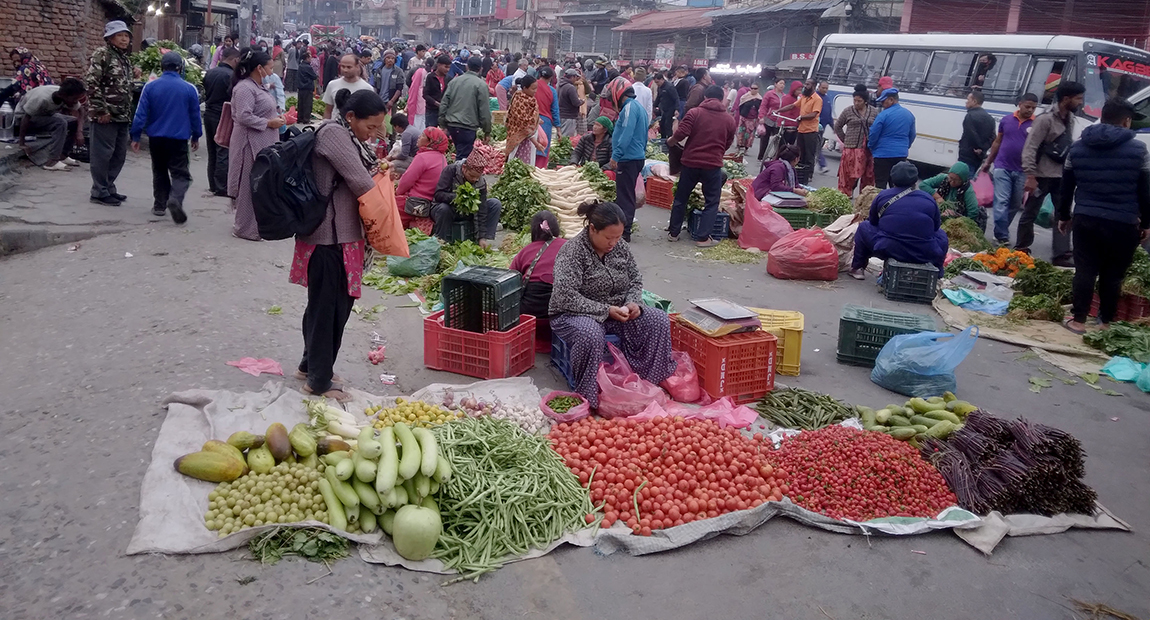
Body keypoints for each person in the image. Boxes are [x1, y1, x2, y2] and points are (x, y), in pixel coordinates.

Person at [290, 89, 388, 401]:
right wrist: (381, 176)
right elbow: (362, 182)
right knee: (328, 309)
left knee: (325, 306)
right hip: (329, 237)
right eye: (370, 127)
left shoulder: (347, 137)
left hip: (338, 236)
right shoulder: (334, 135)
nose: (373, 134)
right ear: (350, 117)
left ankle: (311, 366)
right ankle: (318, 381)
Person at [548, 201, 677, 410]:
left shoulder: (621, 248)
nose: (614, 243)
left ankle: (645, 385)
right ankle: (588, 397)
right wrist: (605, 310)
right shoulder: (572, 252)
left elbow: (635, 279)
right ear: (592, 229)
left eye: (618, 237)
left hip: (617, 312)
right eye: (609, 237)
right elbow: (565, 296)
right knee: (590, 333)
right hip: (573, 314)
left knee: (658, 320)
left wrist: (632, 302)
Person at [1059, 98, 1150, 333]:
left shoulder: (1077, 147)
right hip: (1123, 221)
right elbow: (1145, 189)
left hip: (1086, 218)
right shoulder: (1139, 150)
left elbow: (1066, 186)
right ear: (1126, 121)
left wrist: (1063, 215)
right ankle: (1105, 322)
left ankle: (1078, 320)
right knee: (1113, 274)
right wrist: (1147, 223)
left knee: (1085, 269)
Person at [129, 52, 202, 223]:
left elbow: (140, 114)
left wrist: (135, 136)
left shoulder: (150, 87)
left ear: (162, 67)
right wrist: (196, 136)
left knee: (159, 170)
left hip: (156, 138)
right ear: (180, 67)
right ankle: (175, 199)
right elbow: (195, 116)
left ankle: (160, 205)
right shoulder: (189, 88)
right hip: (178, 139)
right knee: (180, 174)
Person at [1018, 81, 1085, 267]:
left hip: (1060, 176)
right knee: (1029, 214)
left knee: (1063, 215)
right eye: (1078, 98)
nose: (1080, 102)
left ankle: (1061, 254)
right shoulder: (1045, 119)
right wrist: (1030, 176)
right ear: (1066, 99)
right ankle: (1021, 250)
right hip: (1040, 175)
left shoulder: (1070, 119)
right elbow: (1030, 148)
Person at [849, 161, 948, 279]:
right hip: (924, 252)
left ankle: (858, 268)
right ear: (915, 182)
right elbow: (936, 227)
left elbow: (873, 222)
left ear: (893, 180)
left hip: (888, 249)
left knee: (864, 226)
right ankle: (937, 273)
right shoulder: (928, 199)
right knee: (942, 235)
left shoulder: (883, 196)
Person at [667, 85, 736, 247]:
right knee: (711, 202)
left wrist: (670, 142)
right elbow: (728, 142)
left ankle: (673, 233)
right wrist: (717, 152)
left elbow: (681, 133)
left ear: (705, 97)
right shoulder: (729, 119)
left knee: (681, 198)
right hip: (712, 165)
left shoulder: (695, 113)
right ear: (721, 99)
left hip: (690, 162)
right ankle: (703, 238)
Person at [228, 48, 286, 241]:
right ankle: (244, 228)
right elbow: (243, 116)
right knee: (247, 186)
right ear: (259, 68)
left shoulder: (259, 86)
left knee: (259, 185)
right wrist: (268, 123)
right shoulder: (245, 88)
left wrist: (276, 119)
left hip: (262, 142)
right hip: (248, 143)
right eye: (270, 67)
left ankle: (256, 225)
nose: (272, 71)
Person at [86, 21, 136, 207]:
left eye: (126, 35)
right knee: (102, 154)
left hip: (122, 115)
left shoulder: (124, 58)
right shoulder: (103, 54)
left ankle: (108, 186)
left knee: (119, 154)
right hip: (105, 115)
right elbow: (92, 82)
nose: (124, 39)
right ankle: (99, 192)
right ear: (109, 38)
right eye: (119, 35)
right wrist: (101, 109)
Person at [982, 93, 1038, 244]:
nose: (1030, 110)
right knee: (1001, 201)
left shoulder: (1036, 124)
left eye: (1033, 108)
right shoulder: (1006, 120)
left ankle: (1001, 230)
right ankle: (1002, 235)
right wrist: (988, 162)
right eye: (1027, 106)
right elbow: (997, 142)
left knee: (1014, 203)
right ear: (1020, 104)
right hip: (1002, 166)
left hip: (1023, 170)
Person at [430, 148, 501, 247]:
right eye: (472, 176)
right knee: (443, 209)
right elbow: (438, 194)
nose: (475, 179)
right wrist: (457, 198)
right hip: (448, 209)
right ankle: (441, 241)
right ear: (464, 168)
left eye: (478, 177)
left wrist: (481, 237)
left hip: (468, 212)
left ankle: (484, 241)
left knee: (494, 204)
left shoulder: (480, 182)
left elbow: (482, 209)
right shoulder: (451, 171)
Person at [607, 78, 649, 243]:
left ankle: (625, 232)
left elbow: (626, 134)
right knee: (627, 194)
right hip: (637, 157)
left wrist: (616, 155)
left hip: (628, 158)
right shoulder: (639, 108)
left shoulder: (629, 108)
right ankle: (624, 229)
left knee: (625, 196)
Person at [14, 78, 85, 171]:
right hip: (24, 118)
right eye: (74, 99)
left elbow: (81, 111)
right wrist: (22, 143)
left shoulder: (66, 95)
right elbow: (25, 118)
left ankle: (63, 156)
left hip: (44, 115)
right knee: (60, 123)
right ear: (64, 95)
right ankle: (52, 162)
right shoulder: (41, 98)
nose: (76, 102)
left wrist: (79, 131)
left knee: (73, 121)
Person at [511, 210, 568, 320]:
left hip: (530, 310)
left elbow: (510, 278)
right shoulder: (567, 246)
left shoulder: (525, 251)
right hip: (560, 309)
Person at [439, 56, 491, 160]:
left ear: (467, 67)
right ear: (480, 69)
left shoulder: (454, 81)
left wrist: (442, 123)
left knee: (460, 152)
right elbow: (484, 110)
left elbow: (444, 103)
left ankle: (455, 173)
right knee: (463, 157)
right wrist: (487, 131)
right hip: (468, 126)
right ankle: (456, 175)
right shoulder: (481, 85)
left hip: (452, 124)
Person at [203, 46, 238, 196]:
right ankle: (221, 186)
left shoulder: (210, 73)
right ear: (235, 60)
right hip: (223, 115)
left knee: (212, 151)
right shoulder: (231, 76)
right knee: (223, 149)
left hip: (208, 113)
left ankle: (212, 184)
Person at [834, 84, 877, 196]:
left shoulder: (874, 112)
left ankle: (864, 198)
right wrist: (845, 140)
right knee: (847, 176)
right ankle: (846, 195)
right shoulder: (848, 111)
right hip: (851, 149)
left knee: (868, 176)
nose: (856, 103)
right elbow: (837, 126)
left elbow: (878, 127)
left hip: (868, 149)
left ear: (865, 101)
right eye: (855, 100)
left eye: (859, 101)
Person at [868, 88, 916, 189]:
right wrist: (905, 146)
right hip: (901, 154)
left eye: (883, 101)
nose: (882, 103)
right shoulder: (909, 115)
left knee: (880, 184)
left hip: (882, 154)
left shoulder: (883, 115)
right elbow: (912, 135)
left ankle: (880, 204)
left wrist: (871, 146)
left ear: (891, 100)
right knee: (897, 184)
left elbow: (874, 133)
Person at [396, 126, 450, 213]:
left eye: (423, 136)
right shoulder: (442, 158)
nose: (419, 137)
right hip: (432, 201)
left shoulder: (422, 157)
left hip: (416, 202)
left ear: (430, 142)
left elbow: (407, 181)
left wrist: (397, 192)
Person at [779, 78, 822, 185]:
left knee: (809, 154)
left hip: (811, 131)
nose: (805, 86)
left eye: (808, 84)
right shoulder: (804, 97)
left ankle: (809, 175)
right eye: (805, 84)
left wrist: (801, 117)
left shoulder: (817, 99)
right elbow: (793, 105)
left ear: (814, 86)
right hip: (801, 129)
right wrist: (779, 111)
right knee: (800, 153)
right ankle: (800, 173)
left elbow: (814, 114)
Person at [504, 75, 545, 165]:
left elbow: (530, 117)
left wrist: (537, 120)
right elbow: (523, 124)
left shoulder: (530, 99)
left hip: (529, 138)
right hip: (519, 139)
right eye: (533, 89)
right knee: (518, 163)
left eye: (536, 88)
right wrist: (536, 143)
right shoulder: (519, 100)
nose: (535, 91)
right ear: (525, 88)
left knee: (527, 163)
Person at [322, 54, 373, 120]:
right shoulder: (332, 85)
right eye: (343, 66)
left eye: (349, 67)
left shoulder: (367, 88)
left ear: (357, 67)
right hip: (335, 127)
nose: (345, 70)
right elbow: (328, 110)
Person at [958, 90, 995, 172]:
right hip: (979, 157)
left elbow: (971, 135)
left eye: (968, 100)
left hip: (968, 154)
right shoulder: (990, 118)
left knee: (965, 180)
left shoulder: (970, 116)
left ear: (974, 101)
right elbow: (993, 137)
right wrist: (982, 149)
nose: (966, 102)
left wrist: (977, 147)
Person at [533, 66, 560, 166]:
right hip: (545, 123)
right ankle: (539, 171)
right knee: (542, 149)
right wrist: (558, 129)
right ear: (550, 78)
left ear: (539, 75)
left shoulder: (531, 86)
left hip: (531, 120)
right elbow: (555, 111)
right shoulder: (551, 91)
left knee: (530, 147)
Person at [757, 78, 786, 161]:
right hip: (769, 118)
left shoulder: (784, 96)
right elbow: (763, 106)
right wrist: (761, 117)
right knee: (764, 139)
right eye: (780, 83)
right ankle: (761, 156)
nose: (782, 85)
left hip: (779, 120)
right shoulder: (769, 94)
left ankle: (777, 157)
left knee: (779, 139)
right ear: (775, 84)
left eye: (783, 84)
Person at [424, 55, 451, 129]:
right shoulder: (430, 77)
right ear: (439, 65)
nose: (448, 70)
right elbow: (425, 95)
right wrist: (436, 103)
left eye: (449, 67)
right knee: (431, 133)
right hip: (431, 110)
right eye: (446, 67)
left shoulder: (448, 79)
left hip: (445, 112)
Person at [734, 83, 761, 155]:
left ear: (758, 90)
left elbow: (760, 109)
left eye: (755, 89)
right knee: (741, 133)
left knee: (749, 135)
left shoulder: (759, 99)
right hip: (744, 117)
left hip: (753, 119)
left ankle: (746, 149)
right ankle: (738, 147)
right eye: (752, 88)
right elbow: (740, 106)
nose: (753, 90)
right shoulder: (745, 97)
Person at [405, 56, 430, 132]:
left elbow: (412, 85)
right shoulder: (422, 72)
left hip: (419, 99)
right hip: (420, 100)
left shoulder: (420, 72)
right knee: (420, 120)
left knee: (418, 120)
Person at [652, 71, 679, 141]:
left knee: (668, 125)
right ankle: (663, 139)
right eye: (656, 83)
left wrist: (677, 109)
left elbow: (676, 98)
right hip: (664, 109)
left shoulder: (669, 87)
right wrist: (653, 106)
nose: (657, 84)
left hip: (670, 108)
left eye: (658, 82)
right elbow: (658, 98)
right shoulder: (660, 88)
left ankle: (669, 140)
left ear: (662, 79)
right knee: (662, 125)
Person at [558, 68, 584, 137]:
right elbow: (576, 103)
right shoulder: (570, 87)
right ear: (572, 77)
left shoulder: (560, 85)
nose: (576, 79)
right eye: (575, 77)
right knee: (567, 138)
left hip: (560, 114)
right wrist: (581, 101)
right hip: (569, 116)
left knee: (561, 136)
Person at [296, 49, 318, 124]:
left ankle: (300, 118)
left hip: (301, 88)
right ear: (307, 58)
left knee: (301, 104)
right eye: (310, 57)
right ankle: (306, 119)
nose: (311, 59)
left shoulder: (300, 66)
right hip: (307, 87)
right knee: (307, 104)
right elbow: (314, 76)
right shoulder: (308, 67)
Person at [816, 80, 832, 174]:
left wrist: (833, 126)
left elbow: (828, 114)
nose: (825, 90)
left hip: (822, 127)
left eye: (826, 88)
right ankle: (823, 164)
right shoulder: (815, 97)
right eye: (823, 88)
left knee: (817, 146)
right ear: (819, 87)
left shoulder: (827, 99)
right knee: (816, 146)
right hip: (814, 125)